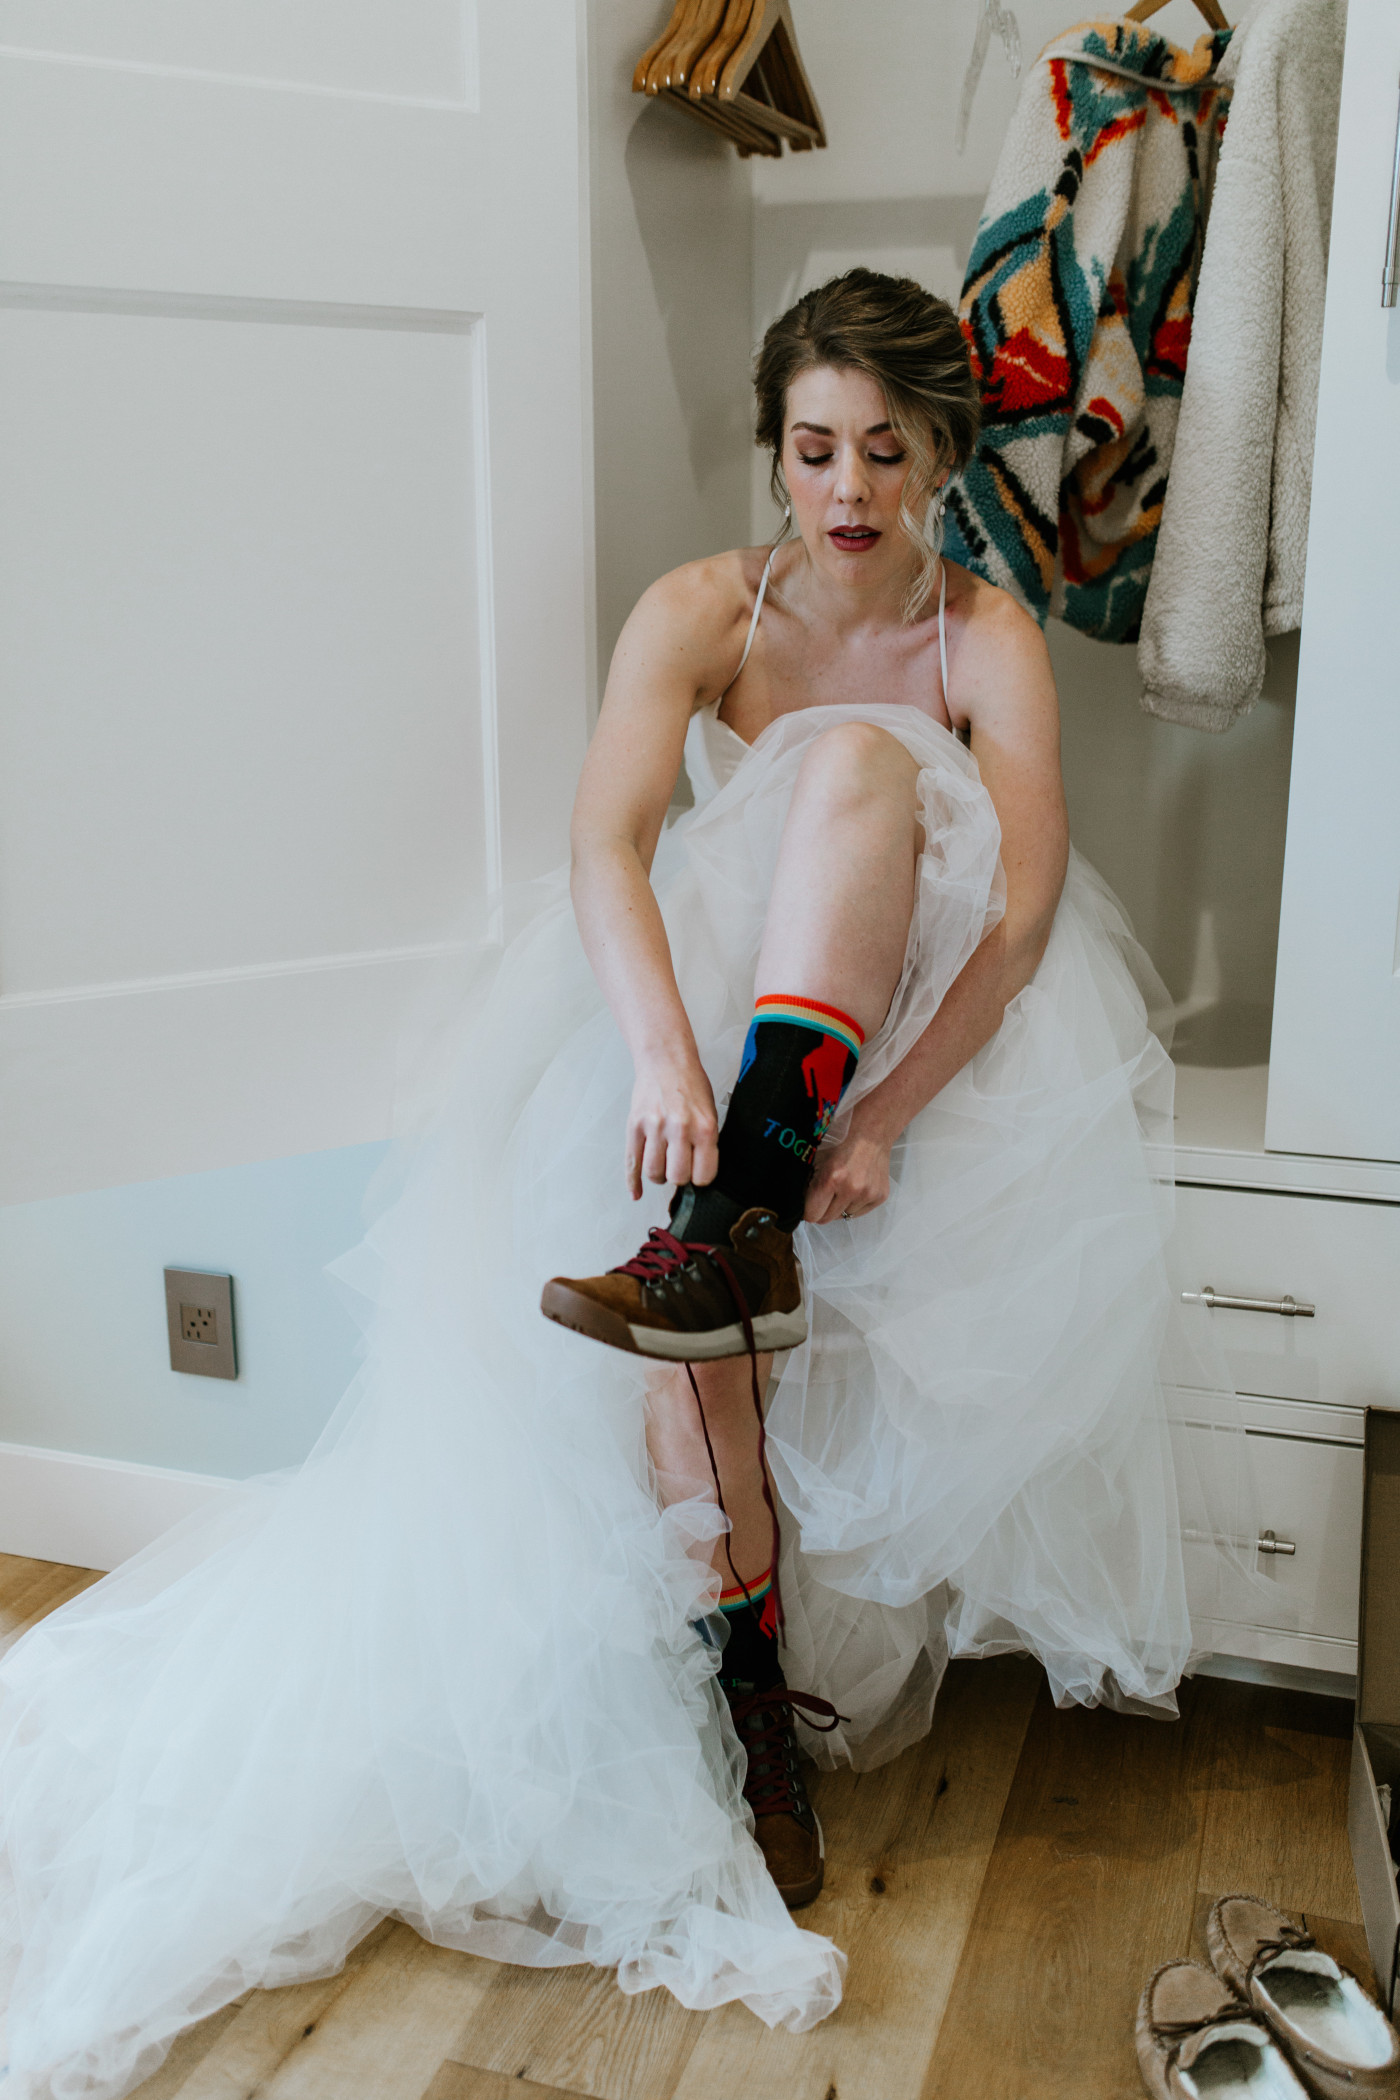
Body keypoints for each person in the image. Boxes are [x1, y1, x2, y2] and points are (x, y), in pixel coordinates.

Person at [0, 271, 1229, 2097]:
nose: (847, 492)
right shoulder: (697, 610)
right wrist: (659, 1050)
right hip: (705, 1020)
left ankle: (735, 1219)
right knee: (694, 1347)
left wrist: (886, 1111)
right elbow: (607, 841)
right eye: (814, 450)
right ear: (776, 452)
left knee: (866, 784)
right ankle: (752, 1705)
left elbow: (1031, 909)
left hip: (899, 1043)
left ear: (946, 460)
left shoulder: (986, 636)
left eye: (887, 455)